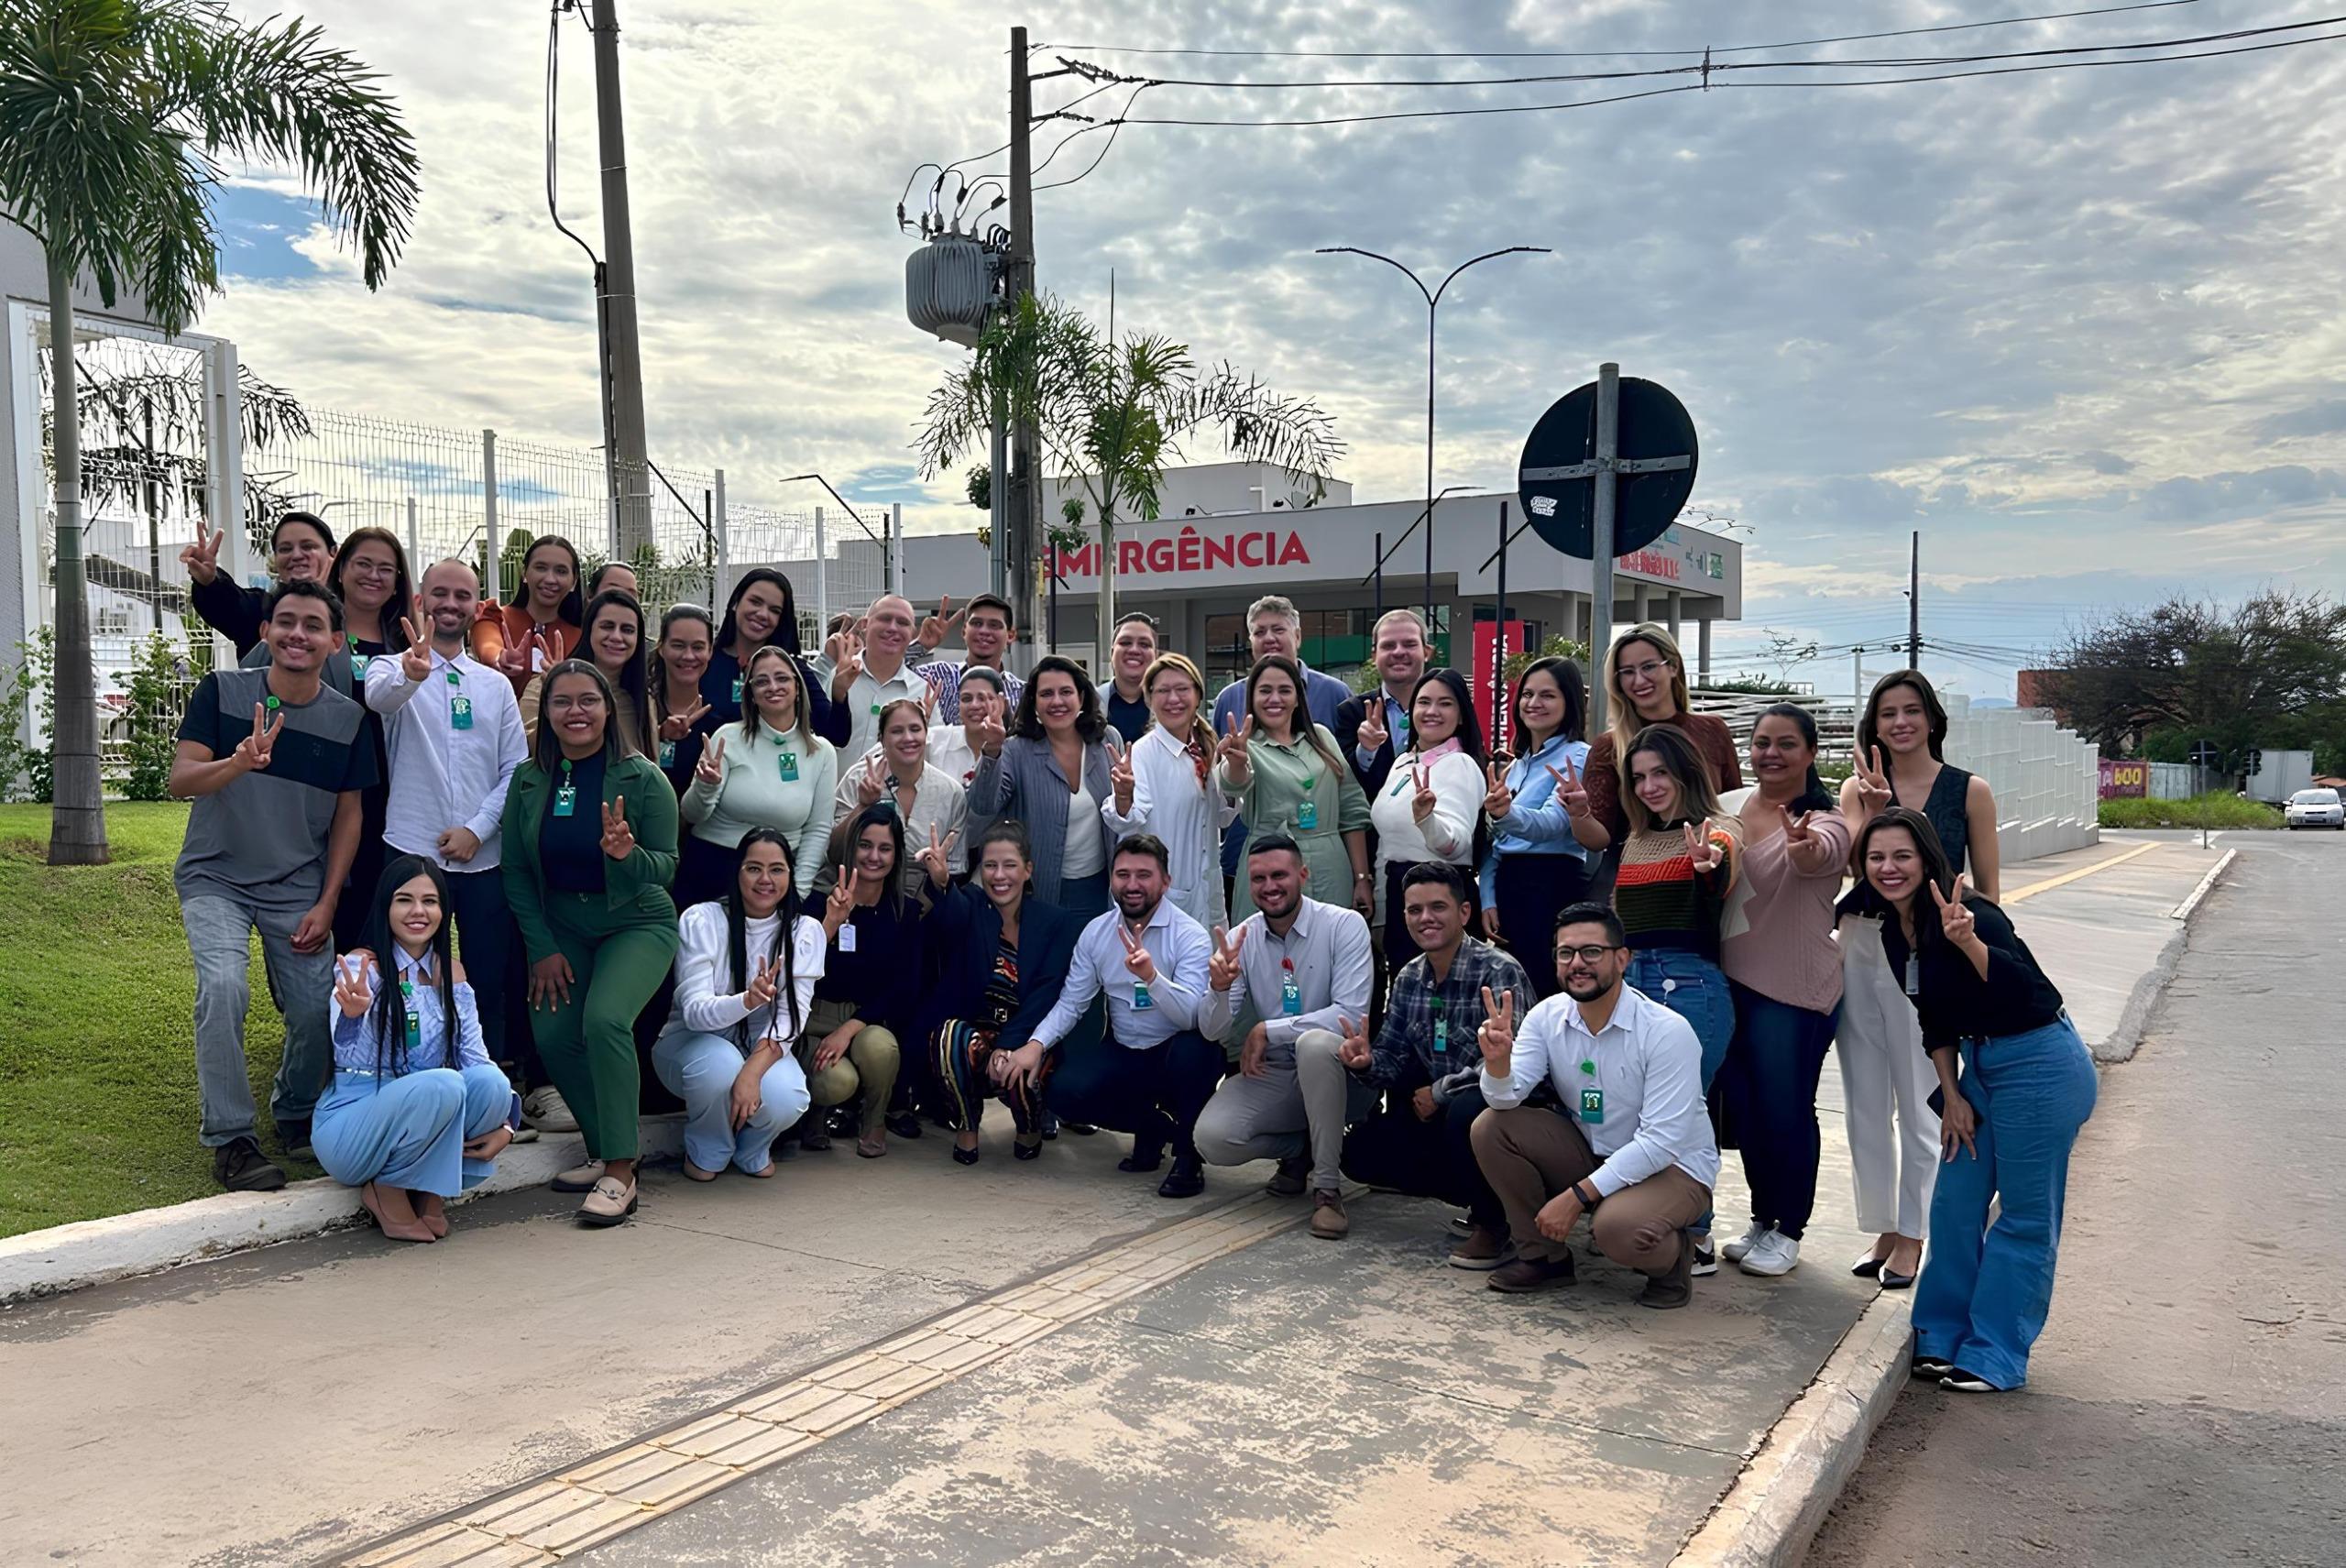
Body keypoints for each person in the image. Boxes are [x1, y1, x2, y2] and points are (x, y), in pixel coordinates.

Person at [1857, 807, 2094, 1393]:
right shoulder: (1893, 928)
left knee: (2023, 1216)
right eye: (1877, 857)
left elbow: (2029, 992)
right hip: (1979, 1068)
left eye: (1902, 856)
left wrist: (1969, 944)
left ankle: (1995, 1353)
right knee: (1955, 1202)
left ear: (1928, 859)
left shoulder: (1971, 914)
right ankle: (1940, 1336)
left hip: (2039, 1061)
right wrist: (1954, 1093)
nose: (1889, 868)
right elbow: (1930, 1018)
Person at [170, 581, 378, 1191]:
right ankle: (232, 1139)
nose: (297, 634)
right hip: (216, 876)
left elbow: (350, 815)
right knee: (225, 987)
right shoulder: (223, 692)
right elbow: (181, 779)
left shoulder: (348, 720)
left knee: (317, 1005)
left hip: (296, 885)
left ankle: (294, 1110)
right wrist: (237, 761)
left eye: (313, 625)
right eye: (285, 621)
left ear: (334, 641)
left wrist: (328, 899)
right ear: (265, 632)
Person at [1837, 669, 2004, 1286]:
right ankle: (1883, 1224)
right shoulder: (1858, 788)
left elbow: (1988, 888)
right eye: (1887, 713)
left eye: (1911, 710)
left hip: (1928, 949)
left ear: (1932, 718)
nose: (1900, 722)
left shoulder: (1969, 789)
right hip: (1860, 942)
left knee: (1920, 1094)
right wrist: (1872, 809)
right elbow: (1847, 863)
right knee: (1864, 1097)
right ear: (1873, 724)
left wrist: (1974, 953)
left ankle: (1914, 1231)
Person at [499, 660, 681, 1227]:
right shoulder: (528, 781)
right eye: (562, 702)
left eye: (587, 700)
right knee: (553, 1033)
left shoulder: (643, 778)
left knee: (604, 1021)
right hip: (563, 926)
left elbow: (668, 867)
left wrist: (628, 856)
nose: (575, 712)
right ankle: (604, 1146)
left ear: (608, 708)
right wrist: (540, 947)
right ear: (546, 713)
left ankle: (622, 1172)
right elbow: (516, 872)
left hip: (636, 920)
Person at [1470, 904, 1720, 1308]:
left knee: (1616, 1230)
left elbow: (1660, 1143)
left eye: (1592, 952)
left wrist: (1575, 1197)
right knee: (1492, 1127)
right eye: (1566, 953)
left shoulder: (1666, 1032)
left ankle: (1674, 1259)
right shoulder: (1547, 1016)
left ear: (1622, 959)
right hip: (1595, 1153)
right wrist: (1498, 1065)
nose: (1577, 964)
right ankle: (1543, 1258)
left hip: (1672, 1168)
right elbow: (1505, 1098)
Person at [365, 560, 528, 1089]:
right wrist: (414, 675)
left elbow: (514, 771)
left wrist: (478, 829)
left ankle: (493, 1078)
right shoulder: (391, 668)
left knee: (486, 973)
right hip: (411, 850)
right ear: (419, 601)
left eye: (463, 596)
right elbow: (379, 699)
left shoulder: (495, 687)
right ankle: (403, 1071)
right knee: (406, 970)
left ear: (476, 606)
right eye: (440, 594)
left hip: (483, 857)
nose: (450, 605)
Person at [1332, 862, 1531, 1266]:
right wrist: (1364, 1061)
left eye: (1438, 907)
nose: (1425, 919)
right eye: (1414, 910)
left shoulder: (1499, 969)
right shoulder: (1409, 977)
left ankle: (1495, 1226)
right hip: (1437, 1111)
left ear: (1463, 913)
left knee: (1467, 1111)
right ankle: (1473, 1194)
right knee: (1358, 1154)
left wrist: (1440, 1093)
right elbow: (1391, 1056)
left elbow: (1521, 1064)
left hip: (1503, 1109)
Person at [316, 858, 521, 1242]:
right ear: (385, 907)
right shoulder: (363, 966)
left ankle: (430, 1188)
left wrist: (509, 1123)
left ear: (444, 910)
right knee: (442, 1085)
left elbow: (477, 1058)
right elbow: (345, 1052)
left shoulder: (452, 972)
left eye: (430, 901)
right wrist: (353, 1016)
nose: (417, 912)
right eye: (404, 900)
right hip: (352, 1120)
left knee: (490, 1083)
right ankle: (386, 1188)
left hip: (427, 1103)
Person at [1715, 705, 1851, 1278]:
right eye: (1762, 742)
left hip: (1793, 990)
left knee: (1787, 1108)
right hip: (1731, 982)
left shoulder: (1825, 817)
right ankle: (1762, 1217)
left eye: (1787, 744)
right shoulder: (1732, 806)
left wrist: (1804, 848)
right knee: (1746, 1110)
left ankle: (1789, 1227)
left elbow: (1825, 850)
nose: (1771, 753)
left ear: (1811, 753)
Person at [1015, 837, 1222, 1197]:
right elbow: (1072, 1003)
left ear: (1166, 881)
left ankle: (1189, 1157)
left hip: (1174, 1049)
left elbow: (1192, 1016)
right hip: (1125, 1047)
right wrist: (1036, 1043)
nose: (1132, 885)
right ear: (1110, 879)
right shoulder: (1097, 933)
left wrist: (1152, 979)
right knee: (1063, 1093)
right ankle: (1157, 1129)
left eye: (1144, 875)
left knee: (1198, 1054)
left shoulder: (1189, 935)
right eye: (1123, 874)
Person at [1194, 836, 1376, 1238]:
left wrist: (1267, 1029)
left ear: (1303, 875)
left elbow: (1349, 1015)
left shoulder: (1344, 925)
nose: (1270, 886)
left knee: (1313, 1045)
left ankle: (1327, 1189)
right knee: (1212, 1139)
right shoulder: (1242, 938)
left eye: (1280, 875)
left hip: (1344, 1071)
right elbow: (1213, 1029)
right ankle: (1303, 1149)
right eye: (1258, 878)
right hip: (1280, 1072)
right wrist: (1219, 989)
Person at [1611, 722, 1741, 1271]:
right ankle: (1651, 1218)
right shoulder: (1636, 839)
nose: (1649, 786)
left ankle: (1698, 1232)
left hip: (1689, 986)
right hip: (1632, 985)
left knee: (1684, 1111)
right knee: (1640, 1111)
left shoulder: (1718, 828)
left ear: (1686, 771)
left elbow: (1721, 864)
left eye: (1660, 772)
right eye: (1639, 777)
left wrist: (1709, 866)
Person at [653, 830, 841, 1179]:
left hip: (760, 1050)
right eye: (754, 868)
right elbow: (694, 1013)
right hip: (689, 1046)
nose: (766, 880)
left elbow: (790, 1019)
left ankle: (752, 1146)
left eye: (777, 869)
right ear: (737, 871)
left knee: (789, 1095)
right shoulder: (701, 920)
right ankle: (709, 1148)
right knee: (720, 1065)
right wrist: (747, 1001)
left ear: (791, 874)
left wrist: (752, 1072)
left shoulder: (805, 931)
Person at [924, 821, 1089, 1164]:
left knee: (1028, 1057)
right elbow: (950, 917)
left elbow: (1048, 993)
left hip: (1029, 1037)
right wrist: (941, 882)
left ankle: (1028, 1124)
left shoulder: (1056, 922)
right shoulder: (971, 906)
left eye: (1010, 865)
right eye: (990, 865)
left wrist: (1009, 1046)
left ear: (1028, 870)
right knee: (948, 1036)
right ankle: (967, 1125)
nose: (1000, 876)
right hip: (977, 1041)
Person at [676, 645, 839, 911]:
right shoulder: (726, 738)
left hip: (779, 876)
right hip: (714, 869)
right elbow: (692, 814)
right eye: (761, 681)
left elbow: (818, 829)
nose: (772, 686)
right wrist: (706, 788)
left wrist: (798, 890)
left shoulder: (822, 752)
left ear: (798, 687)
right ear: (750, 693)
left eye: (782, 678)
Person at [1217, 654, 1373, 926]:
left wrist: (1361, 878)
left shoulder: (1322, 738)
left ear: (1298, 698)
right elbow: (1234, 783)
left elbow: (1351, 808)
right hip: (1269, 868)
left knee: (1329, 951)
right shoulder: (1245, 746)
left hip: (1329, 869)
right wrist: (1236, 762)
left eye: (1284, 690)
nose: (1274, 698)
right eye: (1265, 691)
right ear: (1252, 698)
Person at [967, 654, 1122, 923]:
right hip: (1040, 892)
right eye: (1046, 694)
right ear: (1034, 703)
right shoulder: (1017, 749)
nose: (1057, 701)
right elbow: (983, 804)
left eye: (1066, 692)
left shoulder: (1107, 740)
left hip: (1101, 889)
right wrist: (992, 750)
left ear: (1082, 698)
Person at [797, 806, 915, 1157]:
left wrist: (849, 1028)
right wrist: (832, 922)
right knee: (838, 1081)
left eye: (885, 848)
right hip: (813, 1015)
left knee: (882, 1049)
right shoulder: (818, 902)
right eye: (865, 845)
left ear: (896, 856)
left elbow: (904, 985)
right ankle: (815, 1113)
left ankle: (874, 1121)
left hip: (864, 1018)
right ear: (851, 849)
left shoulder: (902, 912)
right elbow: (798, 966)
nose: (874, 856)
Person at [1212, 595, 1355, 882]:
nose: (1269, 638)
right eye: (1259, 632)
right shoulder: (1229, 699)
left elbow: (1348, 789)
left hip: (1321, 860)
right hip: (1248, 856)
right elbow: (1223, 785)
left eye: (1279, 630)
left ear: (1298, 636)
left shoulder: (1335, 694)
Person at [1569, 623, 1743, 855]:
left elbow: (1735, 806)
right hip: (1640, 877)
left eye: (1648, 667)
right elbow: (1597, 840)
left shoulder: (1712, 729)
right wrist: (1579, 813)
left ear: (1673, 666)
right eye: (1627, 672)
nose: (1639, 680)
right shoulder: (1609, 747)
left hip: (1710, 870)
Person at [1477, 655, 1595, 996]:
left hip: (1550, 885)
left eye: (1547, 695)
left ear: (1569, 701)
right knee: (1511, 993)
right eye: (1527, 694)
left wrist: (1505, 814)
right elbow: (1492, 841)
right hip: (1509, 887)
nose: (1534, 703)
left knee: (1546, 991)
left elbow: (1553, 825)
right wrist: (1488, 898)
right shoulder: (1514, 768)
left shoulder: (1577, 756)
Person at [1102, 652, 1236, 931]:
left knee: (1209, 970)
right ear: (1150, 699)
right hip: (1159, 896)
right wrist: (1124, 797)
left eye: (1182, 689)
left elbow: (1223, 817)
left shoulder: (1204, 749)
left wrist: (1233, 773)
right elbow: (1130, 819)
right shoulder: (1141, 754)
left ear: (1198, 696)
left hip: (1207, 894)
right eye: (1163, 691)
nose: (1173, 699)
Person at [1368, 667, 1487, 971]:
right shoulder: (1402, 761)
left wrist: (1427, 821)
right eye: (1423, 702)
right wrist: (1383, 915)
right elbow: (1388, 846)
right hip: (1400, 894)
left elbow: (1455, 845)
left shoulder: (1460, 764)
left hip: (1440, 898)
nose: (1432, 711)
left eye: (1445, 703)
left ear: (1461, 716)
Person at [831, 696, 966, 896]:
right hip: (858, 896)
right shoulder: (858, 779)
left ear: (926, 734)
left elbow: (955, 871)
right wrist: (862, 807)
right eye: (896, 731)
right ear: (882, 738)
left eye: (915, 729)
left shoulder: (951, 792)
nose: (908, 738)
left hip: (926, 902)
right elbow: (834, 852)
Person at [700, 569, 842, 742]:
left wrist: (840, 691)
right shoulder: (702, 661)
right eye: (755, 602)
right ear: (735, 602)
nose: (762, 614)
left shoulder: (792, 668)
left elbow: (836, 734)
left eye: (774, 610)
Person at [181, 510, 336, 658]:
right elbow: (229, 603)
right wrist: (209, 581)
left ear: (333, 553)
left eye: (308, 546)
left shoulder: (353, 609)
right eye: (285, 549)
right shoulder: (261, 611)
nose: (296, 555)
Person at [521, 587, 652, 754]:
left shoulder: (642, 698)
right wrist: (561, 691)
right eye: (607, 626)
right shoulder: (541, 685)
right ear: (589, 630)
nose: (616, 637)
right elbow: (531, 747)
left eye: (627, 630)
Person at [471, 534, 584, 698]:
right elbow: (488, 646)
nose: (550, 579)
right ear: (524, 573)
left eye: (561, 571)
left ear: (574, 582)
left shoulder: (582, 635)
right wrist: (500, 657)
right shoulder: (494, 617)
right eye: (540, 568)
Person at [1333, 608, 1431, 798]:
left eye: (1409, 644)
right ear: (1374, 655)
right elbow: (1344, 783)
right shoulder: (1351, 712)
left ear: (1426, 652)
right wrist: (1367, 750)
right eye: (1388, 646)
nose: (1399, 652)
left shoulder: (1448, 710)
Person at [818, 592, 927, 757]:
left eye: (903, 622)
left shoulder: (923, 692)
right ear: (864, 624)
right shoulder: (834, 677)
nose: (892, 628)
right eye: (884, 619)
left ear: (912, 634)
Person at [912, 592, 1025, 724]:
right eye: (977, 623)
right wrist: (920, 646)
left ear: (1010, 635)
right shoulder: (935, 676)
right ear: (964, 630)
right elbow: (888, 674)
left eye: (994, 625)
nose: (984, 631)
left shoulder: (1023, 692)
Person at [649, 603, 720, 795]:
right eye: (678, 645)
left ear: (710, 652)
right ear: (661, 648)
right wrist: (660, 733)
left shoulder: (720, 721)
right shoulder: (640, 710)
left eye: (698, 647)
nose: (688, 656)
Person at [927, 664, 1002, 790]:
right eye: (966, 699)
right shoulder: (936, 740)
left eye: (983, 698)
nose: (974, 705)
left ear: (1000, 702)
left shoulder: (1016, 750)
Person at [1100, 611, 1160, 745]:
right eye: (1126, 642)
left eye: (1144, 644)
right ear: (1112, 653)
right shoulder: (1090, 703)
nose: (1134, 650)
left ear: (1155, 656)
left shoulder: (1171, 707)